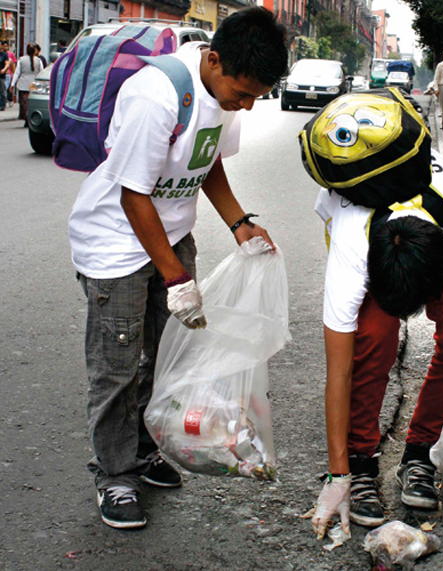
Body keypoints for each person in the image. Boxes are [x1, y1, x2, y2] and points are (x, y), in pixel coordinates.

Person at [67, 7, 288, 530]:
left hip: (169, 235)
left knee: (163, 354)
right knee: (117, 366)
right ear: (213, 60)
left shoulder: (223, 93)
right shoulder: (157, 94)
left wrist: (239, 223)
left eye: (257, 96)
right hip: (116, 245)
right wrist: (177, 277)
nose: (248, 106)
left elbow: (207, 159)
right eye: (243, 94)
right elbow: (133, 193)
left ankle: (144, 453)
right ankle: (115, 475)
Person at [303, 94, 443, 538]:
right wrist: (338, 476)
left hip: (428, 235)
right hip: (373, 235)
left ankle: (421, 452)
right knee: (371, 339)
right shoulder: (352, 254)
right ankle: (361, 459)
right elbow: (338, 371)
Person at [10, 43, 43, 123]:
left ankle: (25, 117)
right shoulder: (38, 60)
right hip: (34, 85)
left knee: (24, 103)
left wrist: (12, 84)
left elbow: (17, 73)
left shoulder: (21, 60)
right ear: (35, 50)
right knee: (33, 103)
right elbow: (42, 72)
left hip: (23, 84)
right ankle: (31, 118)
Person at [0, 40, 8, 111]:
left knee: (2, 90)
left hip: (1, 76)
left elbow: (7, 63)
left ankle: (3, 105)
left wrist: (4, 69)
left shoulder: (4, 55)